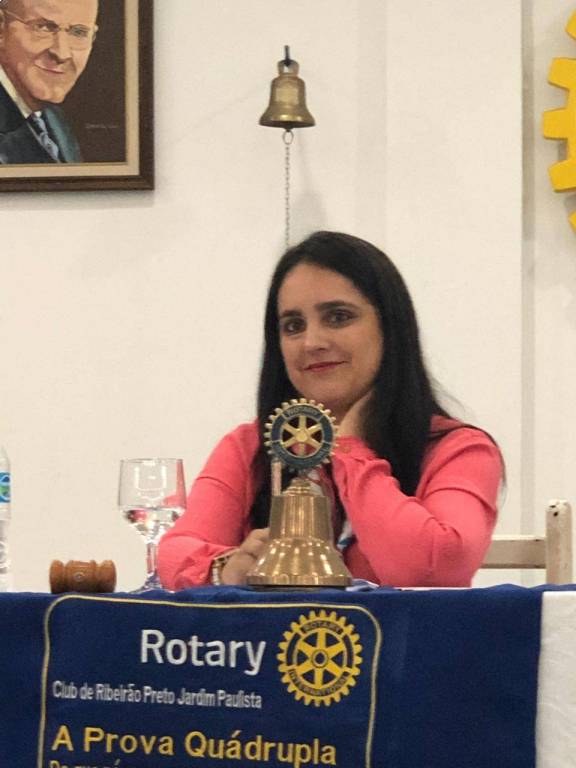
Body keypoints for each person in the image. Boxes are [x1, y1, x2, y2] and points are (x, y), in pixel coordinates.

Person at [158, 231, 503, 589]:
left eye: (338, 317)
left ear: (390, 327)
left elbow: (437, 570)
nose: (312, 342)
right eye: (293, 326)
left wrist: (351, 451)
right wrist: (226, 568)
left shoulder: (459, 450)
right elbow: (173, 553)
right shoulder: (249, 446)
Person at [0, 0, 98, 164]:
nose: (62, 53)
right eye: (43, 27)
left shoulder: (55, 121)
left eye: (79, 32)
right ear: (2, 28)